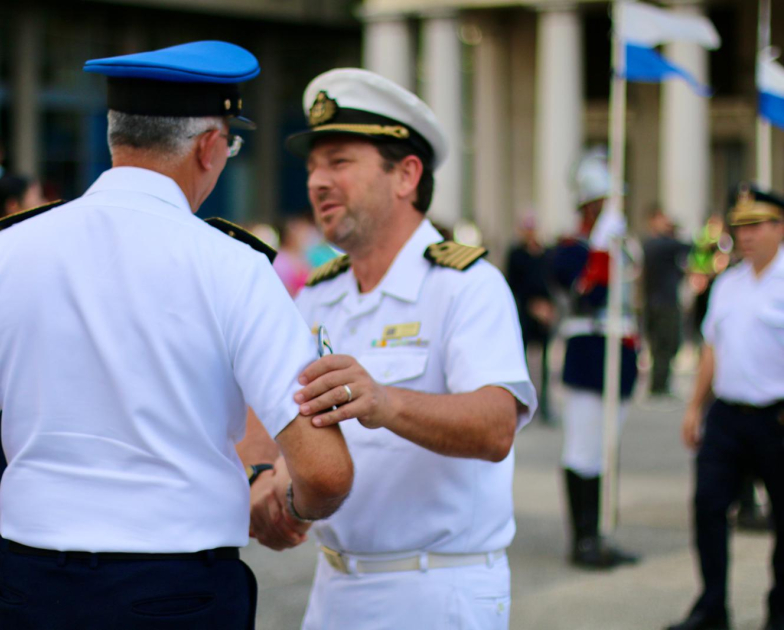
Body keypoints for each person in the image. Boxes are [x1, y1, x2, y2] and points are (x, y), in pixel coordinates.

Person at [0, 41, 353, 630]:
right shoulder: (232, 266)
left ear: (115, 136)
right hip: (179, 592)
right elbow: (326, 471)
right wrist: (288, 506)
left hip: (36, 592)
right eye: (231, 143)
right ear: (209, 146)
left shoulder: (8, 252)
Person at [243, 68, 536, 630]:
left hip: (437, 588)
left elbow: (497, 426)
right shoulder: (321, 293)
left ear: (405, 175)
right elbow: (266, 407)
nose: (317, 182)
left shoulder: (465, 285)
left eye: (339, 162)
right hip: (334, 586)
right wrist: (262, 475)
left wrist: (385, 403)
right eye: (312, 167)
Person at [667, 184, 784, 630]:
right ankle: (712, 605)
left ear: (780, 227)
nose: (746, 235)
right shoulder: (728, 284)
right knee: (708, 508)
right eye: (741, 226)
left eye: (756, 225)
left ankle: (780, 609)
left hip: (777, 418)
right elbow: (711, 349)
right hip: (728, 417)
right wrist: (695, 407)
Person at [549, 149, 640, 569]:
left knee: (606, 451)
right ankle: (583, 537)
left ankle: (600, 532)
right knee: (582, 450)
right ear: (587, 208)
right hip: (588, 356)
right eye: (602, 204)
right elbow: (592, 293)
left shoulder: (621, 244)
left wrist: (614, 248)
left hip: (618, 356)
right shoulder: (571, 250)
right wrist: (602, 249)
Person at [506, 213, 556, 422]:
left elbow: (550, 281)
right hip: (525, 311)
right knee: (523, 360)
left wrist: (548, 307)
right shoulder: (516, 254)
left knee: (545, 362)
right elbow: (514, 284)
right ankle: (524, 402)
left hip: (543, 312)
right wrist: (531, 306)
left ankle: (545, 403)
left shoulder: (544, 253)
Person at [642, 207, 691, 396]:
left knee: (664, 345)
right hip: (663, 302)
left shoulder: (657, 245)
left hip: (659, 300)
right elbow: (687, 246)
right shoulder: (658, 244)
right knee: (664, 344)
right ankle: (659, 385)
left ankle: (660, 383)